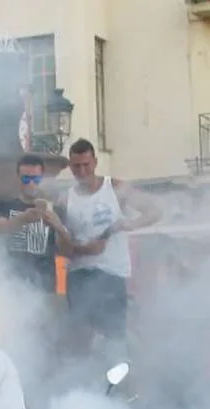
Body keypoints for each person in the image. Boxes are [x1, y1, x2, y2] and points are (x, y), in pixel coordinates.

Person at [61, 138, 161, 356]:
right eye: (77, 166)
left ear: (95, 162)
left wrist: (128, 224)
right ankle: (82, 379)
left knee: (114, 336)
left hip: (111, 273)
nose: (82, 170)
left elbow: (154, 211)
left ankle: (117, 380)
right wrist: (81, 248)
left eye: (86, 165)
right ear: (70, 167)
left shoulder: (114, 188)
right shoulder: (66, 198)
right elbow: (62, 243)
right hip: (79, 274)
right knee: (80, 336)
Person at [0, 155, 72, 293]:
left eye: (36, 178)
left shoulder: (56, 210)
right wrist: (22, 219)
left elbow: (67, 251)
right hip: (11, 285)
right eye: (26, 178)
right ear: (18, 178)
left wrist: (58, 226)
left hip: (45, 287)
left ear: (42, 178)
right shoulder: (5, 206)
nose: (31, 183)